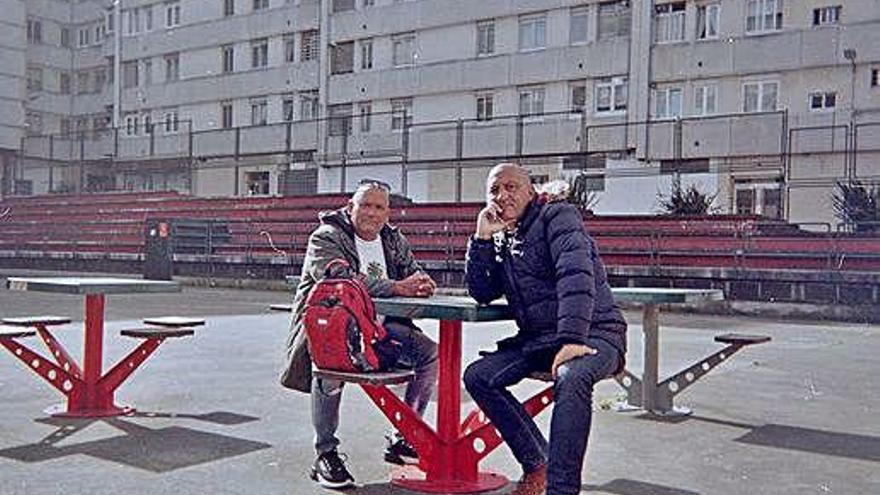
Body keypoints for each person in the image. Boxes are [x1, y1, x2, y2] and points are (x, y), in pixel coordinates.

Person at [462, 164, 627, 495]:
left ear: (530, 192)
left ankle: (561, 490)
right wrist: (481, 238)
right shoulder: (504, 234)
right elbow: (482, 292)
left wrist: (571, 339)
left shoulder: (559, 216)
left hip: (595, 332)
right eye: (494, 190)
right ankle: (537, 462)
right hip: (539, 341)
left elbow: (575, 275)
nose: (502, 195)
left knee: (573, 375)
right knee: (478, 376)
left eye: (511, 187)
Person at [280, 180, 439, 489]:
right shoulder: (327, 236)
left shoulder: (393, 240)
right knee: (330, 365)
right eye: (365, 205)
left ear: (388, 212)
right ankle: (325, 453)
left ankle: (403, 435)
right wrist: (396, 287)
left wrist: (423, 283)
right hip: (332, 326)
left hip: (381, 327)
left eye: (379, 207)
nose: (372, 212)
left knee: (430, 353)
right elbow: (337, 280)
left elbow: (412, 272)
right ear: (350, 207)